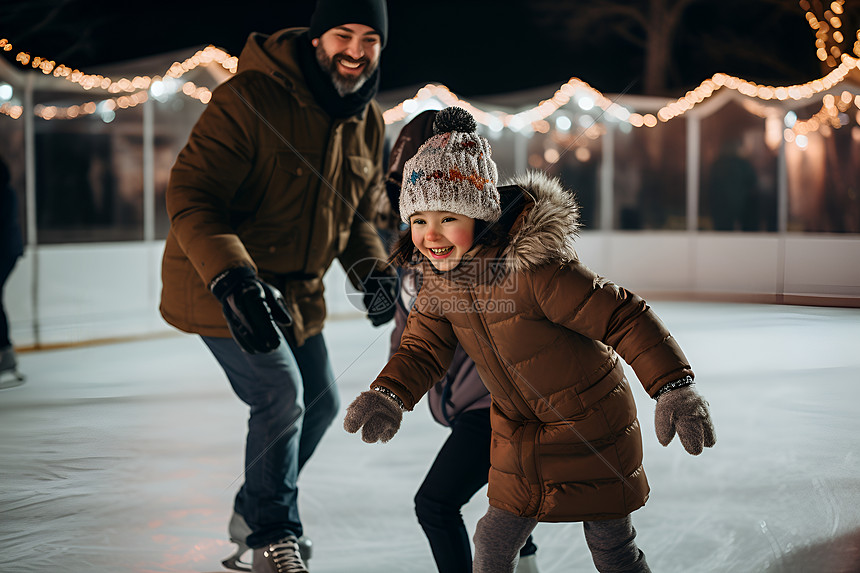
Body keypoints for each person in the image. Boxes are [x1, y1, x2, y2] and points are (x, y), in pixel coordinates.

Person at [345, 107, 717, 573]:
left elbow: (623, 316)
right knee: (493, 543)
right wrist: (388, 395)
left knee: (611, 548)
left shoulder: (535, 271)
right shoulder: (438, 283)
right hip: (518, 431)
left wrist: (673, 387)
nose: (430, 235)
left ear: (480, 214)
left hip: (591, 423)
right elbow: (421, 348)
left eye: (447, 217)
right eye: (418, 220)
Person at [159, 0, 397, 571]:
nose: (356, 52)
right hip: (221, 283)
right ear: (318, 38)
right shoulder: (249, 98)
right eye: (344, 35)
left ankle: (251, 512)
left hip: (297, 294)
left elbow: (356, 216)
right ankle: (271, 535)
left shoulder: (367, 120)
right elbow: (192, 196)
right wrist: (233, 279)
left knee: (319, 403)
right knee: (279, 396)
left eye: (370, 39)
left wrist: (370, 269)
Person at [383, 110, 539, 573]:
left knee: (435, 504)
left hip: (496, 406)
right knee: (503, 499)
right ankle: (525, 563)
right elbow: (410, 334)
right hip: (462, 405)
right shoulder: (419, 251)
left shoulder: (490, 253)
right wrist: (394, 386)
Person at [0, 153, 25, 389]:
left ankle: (6, 354)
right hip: (8, 250)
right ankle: (5, 354)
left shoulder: (5, 194)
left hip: (5, 251)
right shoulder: (7, 192)